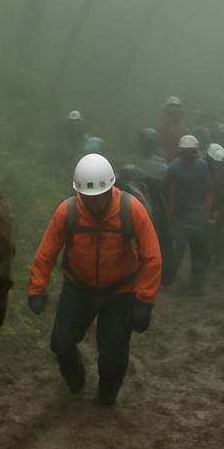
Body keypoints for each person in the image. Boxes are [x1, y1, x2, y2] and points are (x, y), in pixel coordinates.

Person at [28, 154, 161, 407]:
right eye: (89, 197)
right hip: (78, 288)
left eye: (100, 196)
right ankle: (76, 379)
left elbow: (151, 256)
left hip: (120, 292)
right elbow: (46, 252)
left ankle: (107, 393)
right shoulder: (67, 211)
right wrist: (37, 289)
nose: (95, 202)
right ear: (79, 193)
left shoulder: (130, 209)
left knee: (113, 356)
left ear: (112, 187)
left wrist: (145, 301)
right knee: (61, 344)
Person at [117, 128, 171, 271]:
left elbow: (165, 187)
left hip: (153, 203)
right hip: (136, 203)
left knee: (157, 235)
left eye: (149, 143)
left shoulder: (161, 163)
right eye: (145, 142)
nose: (147, 145)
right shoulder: (132, 162)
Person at [165, 134, 212, 293]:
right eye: (186, 151)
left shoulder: (202, 166)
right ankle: (169, 281)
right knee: (178, 250)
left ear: (196, 151)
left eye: (191, 151)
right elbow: (171, 195)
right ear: (181, 151)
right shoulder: (174, 168)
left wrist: (206, 214)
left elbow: (207, 191)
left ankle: (196, 285)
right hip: (180, 215)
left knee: (196, 250)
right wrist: (170, 218)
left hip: (195, 214)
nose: (189, 154)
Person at [156, 95, 189, 163]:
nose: (174, 110)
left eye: (176, 107)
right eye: (171, 107)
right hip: (164, 161)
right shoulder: (161, 127)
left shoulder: (184, 127)